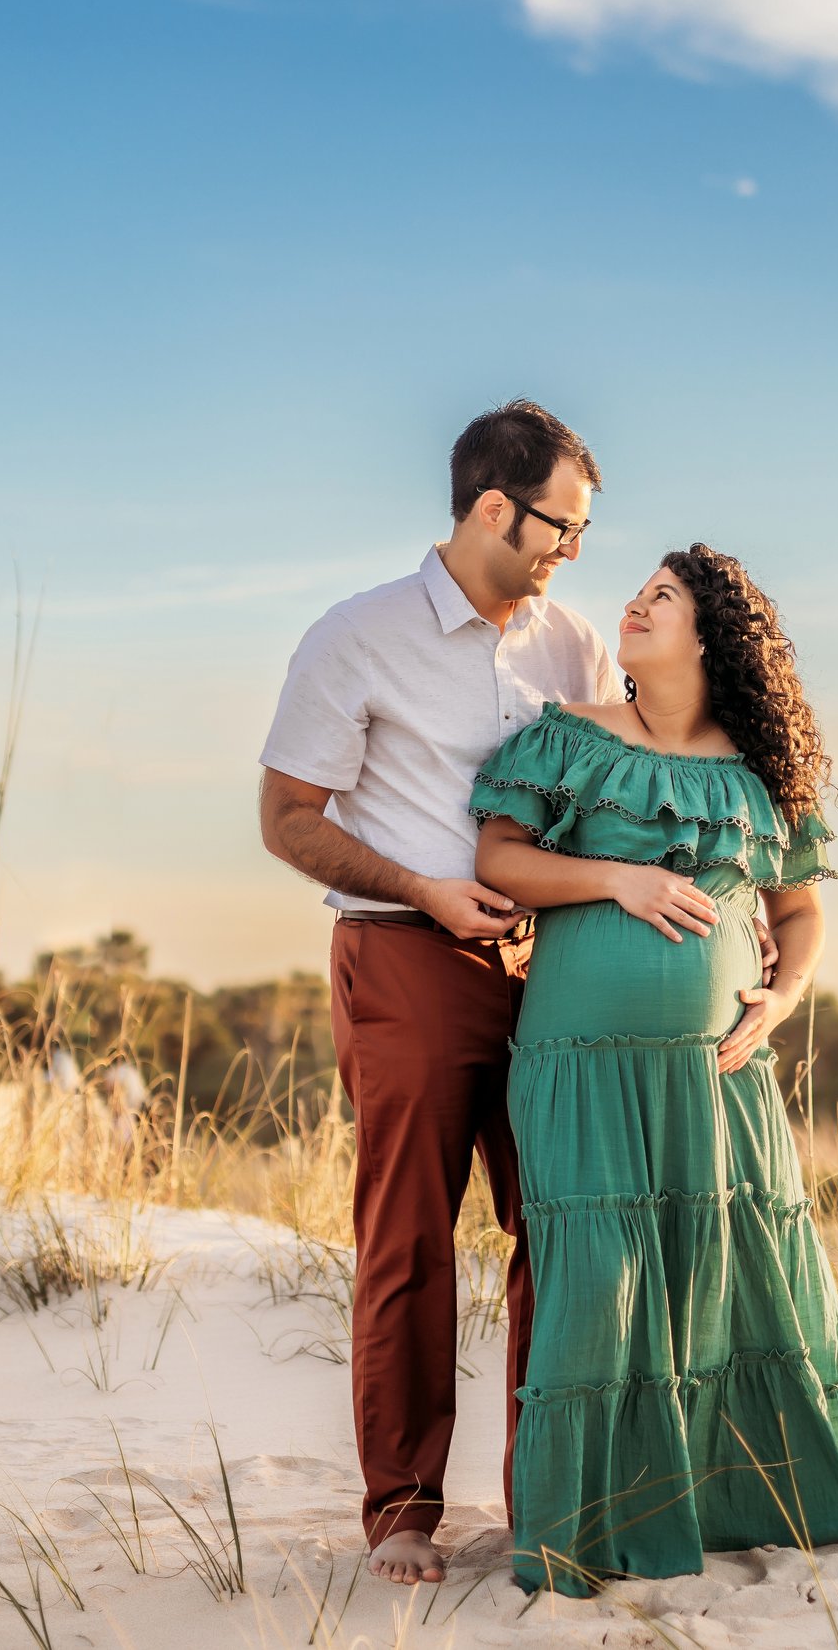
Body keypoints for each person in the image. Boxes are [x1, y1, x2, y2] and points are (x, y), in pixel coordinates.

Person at [471, 544, 838, 1596]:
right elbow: (500, 858)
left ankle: (751, 1500)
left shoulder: (760, 771)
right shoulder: (568, 739)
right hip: (580, 1063)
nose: (631, 609)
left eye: (658, 600)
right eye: (634, 596)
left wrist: (785, 997)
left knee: (731, 1278)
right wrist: (617, 880)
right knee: (603, 1284)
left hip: (719, 1066)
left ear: (712, 637)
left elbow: (800, 908)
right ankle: (587, 1532)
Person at [257, 400, 621, 1586]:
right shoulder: (355, 635)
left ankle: (543, 1496)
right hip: (404, 956)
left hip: (551, 967)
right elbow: (287, 821)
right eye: (558, 527)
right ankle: (403, 1512)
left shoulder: (572, 645)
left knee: (556, 1231)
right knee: (409, 1237)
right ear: (488, 507)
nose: (571, 551)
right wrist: (425, 887)